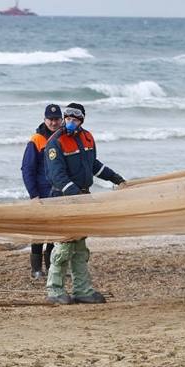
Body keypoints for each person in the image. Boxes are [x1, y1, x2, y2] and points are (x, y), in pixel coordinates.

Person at [43, 103, 126, 304]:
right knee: (63, 247)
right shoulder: (55, 142)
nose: (70, 120)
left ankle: (82, 290)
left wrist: (116, 178)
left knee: (80, 248)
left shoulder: (87, 137)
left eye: (75, 117)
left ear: (82, 119)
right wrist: (74, 194)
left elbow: (93, 165)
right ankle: (54, 291)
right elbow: (57, 176)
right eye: (68, 116)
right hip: (62, 199)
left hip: (82, 197)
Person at [21, 104, 62, 278]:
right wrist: (33, 195)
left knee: (55, 232)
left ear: (61, 120)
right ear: (44, 119)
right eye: (50, 119)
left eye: (56, 119)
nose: (53, 122)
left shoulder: (63, 138)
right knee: (38, 232)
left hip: (59, 193)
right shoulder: (36, 140)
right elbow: (27, 169)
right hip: (41, 193)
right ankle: (36, 270)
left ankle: (51, 267)